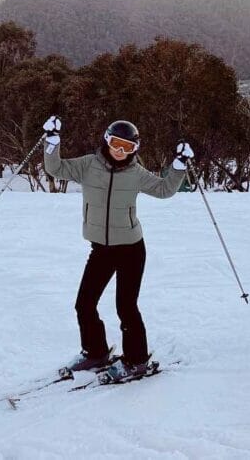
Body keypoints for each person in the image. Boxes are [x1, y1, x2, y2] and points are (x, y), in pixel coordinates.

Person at [42, 115, 194, 383]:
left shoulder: (136, 174)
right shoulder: (88, 165)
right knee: (84, 303)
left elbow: (164, 189)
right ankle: (95, 352)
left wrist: (178, 166)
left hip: (131, 249)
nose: (120, 151)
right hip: (101, 248)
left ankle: (136, 361)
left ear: (135, 149)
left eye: (127, 147)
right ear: (106, 140)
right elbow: (56, 169)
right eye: (116, 143)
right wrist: (52, 142)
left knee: (126, 306)